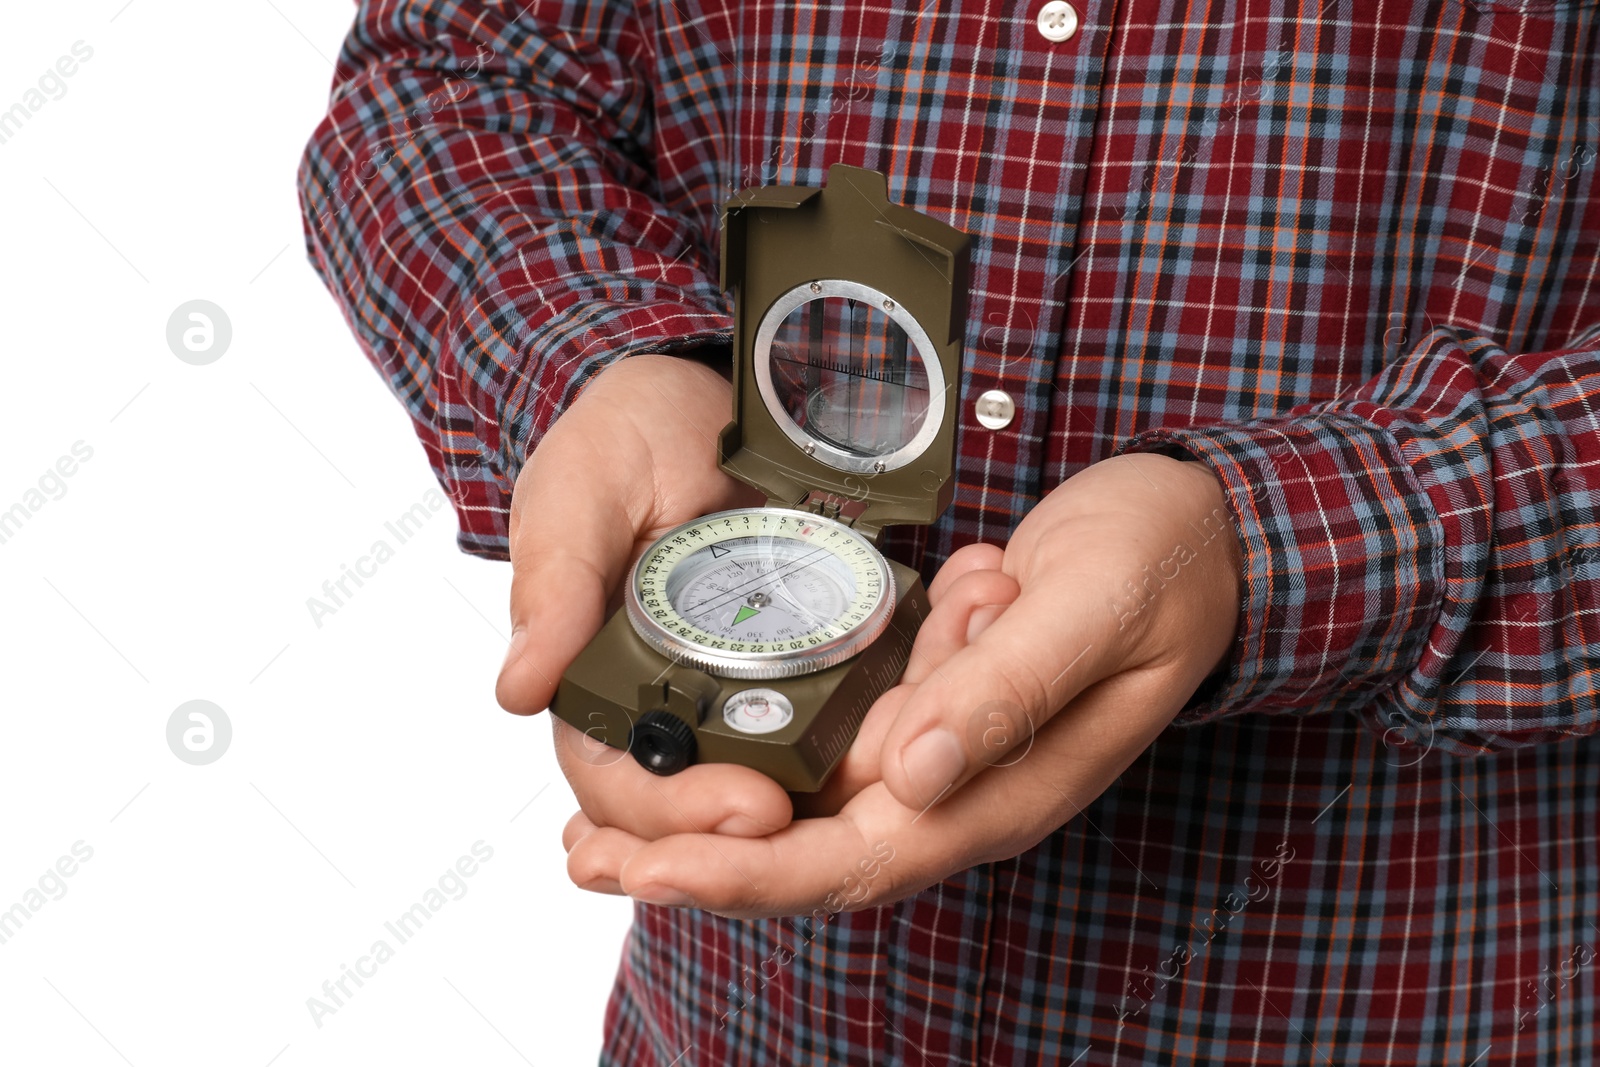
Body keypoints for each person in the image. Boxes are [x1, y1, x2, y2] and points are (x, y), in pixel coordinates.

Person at [299, 0, 1600, 1062]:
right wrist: (600, 356)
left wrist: (1278, 545)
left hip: (1413, 992)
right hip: (742, 1020)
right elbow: (454, 77)